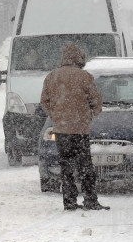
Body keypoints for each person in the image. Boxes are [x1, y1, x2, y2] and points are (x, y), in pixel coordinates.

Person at [40, 44, 108, 211]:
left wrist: (55, 116)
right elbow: (96, 102)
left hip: (61, 130)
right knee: (85, 166)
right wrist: (89, 115)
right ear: (79, 58)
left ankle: (69, 201)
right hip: (80, 129)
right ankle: (90, 199)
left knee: (66, 167)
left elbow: (44, 102)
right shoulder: (85, 77)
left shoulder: (52, 76)